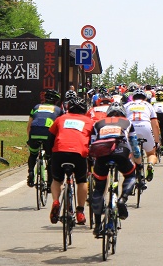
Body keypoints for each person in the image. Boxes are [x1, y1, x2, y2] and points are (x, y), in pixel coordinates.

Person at [91, 102, 140, 236]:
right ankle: (123, 199)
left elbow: (92, 144)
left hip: (102, 154)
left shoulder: (98, 123)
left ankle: (97, 225)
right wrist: (138, 160)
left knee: (99, 188)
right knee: (130, 175)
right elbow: (134, 145)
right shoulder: (127, 122)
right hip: (121, 152)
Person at [48, 97, 94, 226]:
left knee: (57, 180)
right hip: (78, 153)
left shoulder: (60, 119)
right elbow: (92, 141)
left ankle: (56, 201)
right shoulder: (89, 121)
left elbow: (50, 137)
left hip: (59, 152)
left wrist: (50, 154)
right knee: (81, 181)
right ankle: (80, 211)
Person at [26, 89, 63, 188]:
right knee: (50, 157)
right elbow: (60, 128)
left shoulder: (36, 107)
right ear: (56, 101)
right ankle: (50, 183)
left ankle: (30, 172)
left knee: (33, 153)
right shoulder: (58, 110)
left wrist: (29, 139)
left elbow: (29, 126)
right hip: (48, 134)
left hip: (34, 132)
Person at [124, 88, 161, 182]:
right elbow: (155, 124)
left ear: (133, 98)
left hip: (130, 128)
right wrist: (156, 142)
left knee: (132, 152)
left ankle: (134, 173)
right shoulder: (148, 105)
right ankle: (150, 164)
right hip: (145, 127)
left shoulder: (127, 105)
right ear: (145, 98)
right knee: (151, 153)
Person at [151, 89, 163, 155]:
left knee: (154, 132)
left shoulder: (152, 102)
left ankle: (155, 147)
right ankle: (162, 149)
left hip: (156, 117)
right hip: (162, 117)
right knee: (162, 133)